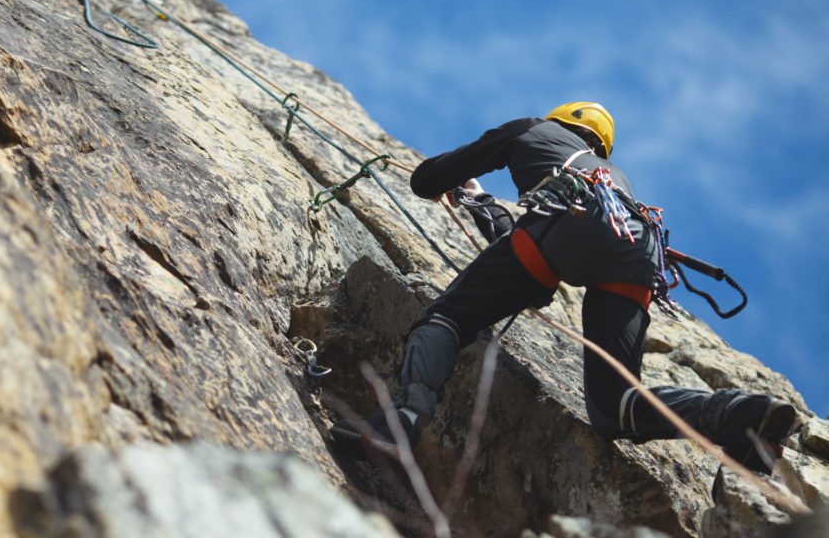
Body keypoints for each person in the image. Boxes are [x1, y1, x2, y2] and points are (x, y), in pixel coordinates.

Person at [330, 102, 796, 475]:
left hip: (569, 220)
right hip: (639, 250)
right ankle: (729, 413)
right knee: (615, 407)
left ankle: (402, 421)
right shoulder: (615, 176)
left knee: (448, 318)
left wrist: (463, 185)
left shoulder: (532, 128)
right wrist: (485, 209)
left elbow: (426, 179)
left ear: (561, 120)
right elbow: (531, 275)